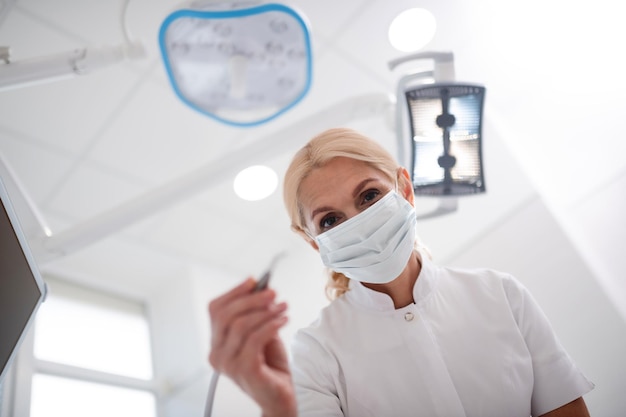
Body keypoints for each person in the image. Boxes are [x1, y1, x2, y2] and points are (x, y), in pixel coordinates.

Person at [208, 127, 594, 417]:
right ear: (313, 242)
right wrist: (279, 407)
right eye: (330, 220)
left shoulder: (500, 295)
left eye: (370, 196)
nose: (359, 222)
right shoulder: (317, 352)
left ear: (405, 189)